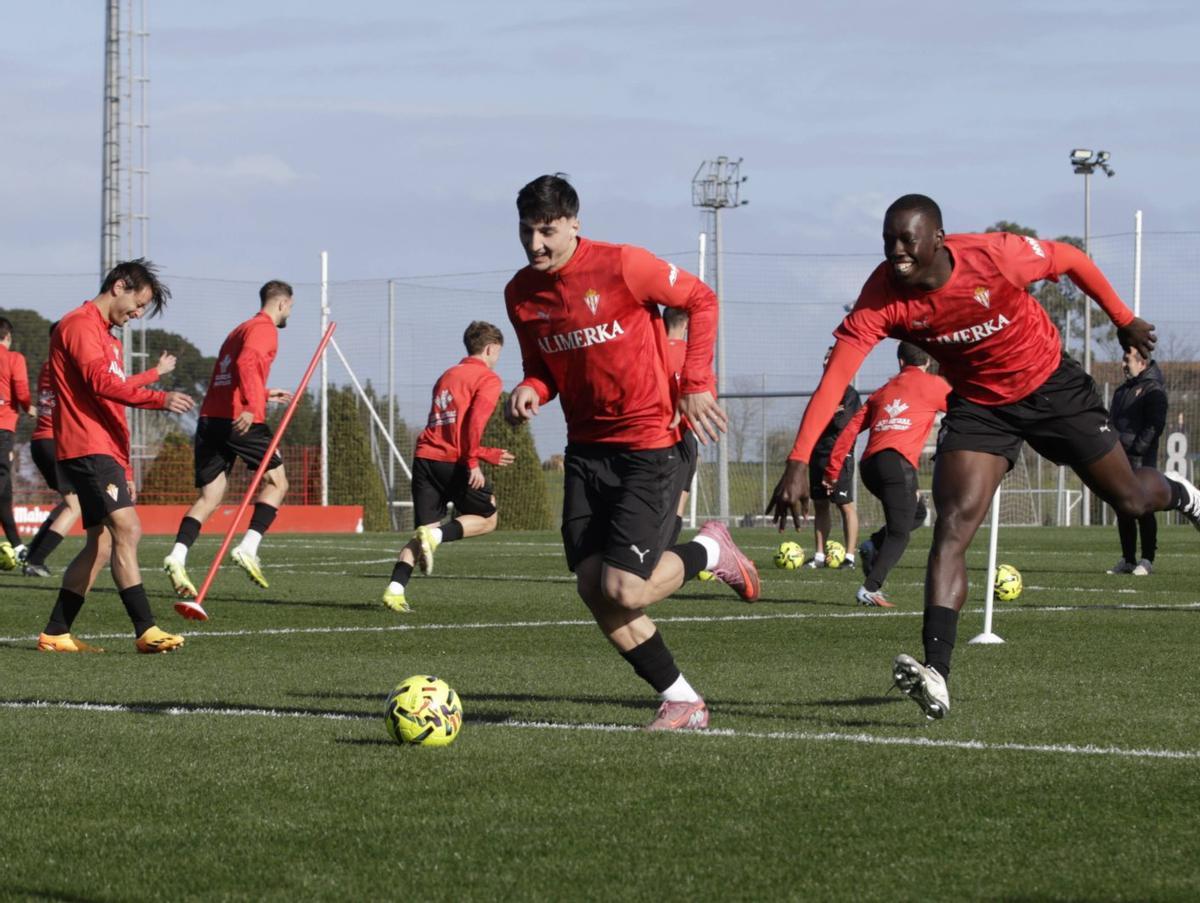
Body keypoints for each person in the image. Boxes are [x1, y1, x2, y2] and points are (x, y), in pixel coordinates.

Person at [766, 194, 1200, 720]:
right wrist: (796, 461)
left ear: (938, 239)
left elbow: (1071, 259)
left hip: (1052, 389)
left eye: (907, 240)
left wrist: (1124, 319)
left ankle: (1184, 494)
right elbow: (835, 379)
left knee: (1129, 499)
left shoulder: (995, 257)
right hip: (980, 408)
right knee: (952, 526)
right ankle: (937, 674)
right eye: (888, 241)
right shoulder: (880, 297)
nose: (896, 251)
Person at [505, 173, 758, 732]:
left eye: (546, 231)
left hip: (648, 446)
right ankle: (682, 700)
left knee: (625, 587)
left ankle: (710, 554)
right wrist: (530, 390)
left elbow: (701, 297)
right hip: (585, 452)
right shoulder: (520, 294)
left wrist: (695, 380)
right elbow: (541, 369)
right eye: (526, 232)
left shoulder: (623, 265)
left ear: (574, 222)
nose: (535, 245)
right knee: (593, 587)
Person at [36, 259, 195, 654]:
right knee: (128, 530)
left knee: (102, 544)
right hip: (86, 446)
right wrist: (160, 397)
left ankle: (56, 632)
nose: (138, 314)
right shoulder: (78, 325)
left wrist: (123, 466)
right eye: (139, 304)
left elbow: (112, 403)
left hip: (103, 449)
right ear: (119, 285)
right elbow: (100, 383)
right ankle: (146, 629)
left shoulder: (110, 339)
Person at [162, 280, 295, 598]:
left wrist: (262, 393)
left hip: (211, 419)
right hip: (240, 420)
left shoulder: (239, 329)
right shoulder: (264, 329)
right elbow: (248, 363)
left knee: (211, 496)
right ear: (282, 304)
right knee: (278, 483)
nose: (290, 312)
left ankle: (177, 555)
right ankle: (248, 548)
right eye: (290, 306)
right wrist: (252, 405)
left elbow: (229, 375)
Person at [24, 320, 177, 577]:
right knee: (76, 508)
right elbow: (114, 387)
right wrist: (154, 373)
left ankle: (31, 554)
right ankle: (35, 560)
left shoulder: (48, 366)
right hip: (61, 440)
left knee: (68, 504)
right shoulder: (69, 364)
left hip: (42, 440)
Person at [381, 321, 515, 612]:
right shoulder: (488, 378)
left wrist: (486, 453)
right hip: (453, 462)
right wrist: (473, 462)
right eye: (498, 353)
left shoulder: (447, 375)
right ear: (491, 348)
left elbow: (448, 428)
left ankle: (395, 589)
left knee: (422, 534)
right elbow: (473, 424)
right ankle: (438, 535)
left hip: (425, 459)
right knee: (487, 516)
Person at [825, 341, 950, 607]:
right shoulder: (936, 385)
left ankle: (872, 545)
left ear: (901, 362)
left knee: (917, 513)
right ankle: (870, 588)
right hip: (897, 465)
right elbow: (964, 409)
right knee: (900, 533)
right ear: (928, 362)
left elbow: (849, 430)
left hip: (869, 467)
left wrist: (833, 470)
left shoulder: (883, 391)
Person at [1107, 347, 1167, 576]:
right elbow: (1112, 421)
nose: (1123, 364)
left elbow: (1155, 425)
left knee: (1143, 508)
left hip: (1141, 459)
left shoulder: (1153, 389)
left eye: (1127, 360)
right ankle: (1128, 559)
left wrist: (1139, 449)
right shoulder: (1122, 390)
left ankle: (1147, 559)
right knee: (1123, 507)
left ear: (1141, 362)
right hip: (1120, 456)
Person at [805, 346, 860, 569]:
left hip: (839, 457)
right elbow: (811, 422)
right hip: (817, 455)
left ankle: (849, 557)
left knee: (844, 504)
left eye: (831, 358)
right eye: (825, 358)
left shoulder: (850, 394)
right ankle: (819, 555)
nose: (827, 361)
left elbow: (841, 424)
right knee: (820, 505)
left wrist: (828, 415)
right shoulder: (821, 391)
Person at [0, 317, 33, 567]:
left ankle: (18, 546)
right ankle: (20, 547)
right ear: (8, 337)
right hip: (2, 429)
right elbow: (21, 390)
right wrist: (28, 407)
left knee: (4, 491)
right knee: (2, 489)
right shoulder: (13, 358)